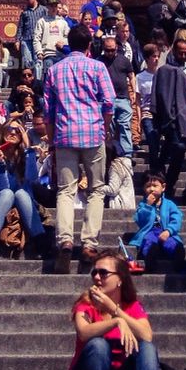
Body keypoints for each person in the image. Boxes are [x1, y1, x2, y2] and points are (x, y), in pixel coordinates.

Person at [66, 249, 172, 370]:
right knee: (98, 345)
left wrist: (115, 311)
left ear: (120, 279)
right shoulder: (85, 304)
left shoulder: (132, 306)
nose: (97, 277)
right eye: (94, 273)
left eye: (104, 273)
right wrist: (115, 323)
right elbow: (83, 332)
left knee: (147, 348)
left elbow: (147, 335)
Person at [43, 24, 115, 275]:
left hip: (64, 134)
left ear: (67, 44)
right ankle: (89, 243)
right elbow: (108, 102)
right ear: (88, 46)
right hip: (92, 134)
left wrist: (51, 140)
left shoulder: (54, 70)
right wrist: (103, 127)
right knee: (96, 189)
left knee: (65, 191)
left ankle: (64, 239)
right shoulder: (97, 67)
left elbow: (48, 110)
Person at [0, 122, 51, 260]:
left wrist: (28, 150)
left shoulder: (26, 155)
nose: (14, 133)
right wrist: (1, 164)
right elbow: (1, 187)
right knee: (8, 193)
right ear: (3, 133)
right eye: (10, 129)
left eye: (18, 131)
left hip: (25, 205)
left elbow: (33, 178)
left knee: (21, 193)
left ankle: (42, 245)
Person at [151, 34, 186, 205]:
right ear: (174, 52)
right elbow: (158, 95)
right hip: (173, 120)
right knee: (178, 149)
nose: (183, 56)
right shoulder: (164, 71)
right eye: (180, 53)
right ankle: (168, 184)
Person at [128, 172, 184, 269]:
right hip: (150, 231)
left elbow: (177, 218)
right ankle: (150, 258)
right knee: (148, 242)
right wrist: (147, 206)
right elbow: (140, 220)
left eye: (155, 186)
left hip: (165, 231)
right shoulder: (143, 205)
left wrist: (169, 231)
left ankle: (177, 255)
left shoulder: (169, 204)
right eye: (148, 186)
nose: (151, 189)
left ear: (163, 187)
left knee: (171, 243)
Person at [98, 35, 135, 159]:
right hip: (107, 99)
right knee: (110, 126)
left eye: (112, 50)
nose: (110, 53)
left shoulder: (124, 60)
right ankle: (114, 151)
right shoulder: (99, 61)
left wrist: (133, 91)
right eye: (107, 50)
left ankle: (127, 153)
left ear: (117, 48)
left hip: (123, 97)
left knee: (124, 124)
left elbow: (131, 75)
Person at [35, 2, 71, 79]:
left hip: (61, 54)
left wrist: (63, 44)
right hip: (48, 54)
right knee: (48, 76)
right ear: (47, 7)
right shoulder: (42, 21)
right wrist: (39, 51)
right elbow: (37, 38)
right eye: (51, 6)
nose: (54, 8)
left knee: (61, 77)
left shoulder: (63, 22)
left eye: (55, 6)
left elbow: (68, 36)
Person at [17, 0, 46, 71]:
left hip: (38, 39)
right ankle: (29, 79)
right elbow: (20, 27)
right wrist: (17, 41)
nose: (27, 1)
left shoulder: (43, 10)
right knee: (27, 61)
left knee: (38, 61)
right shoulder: (24, 12)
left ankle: (37, 81)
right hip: (26, 39)